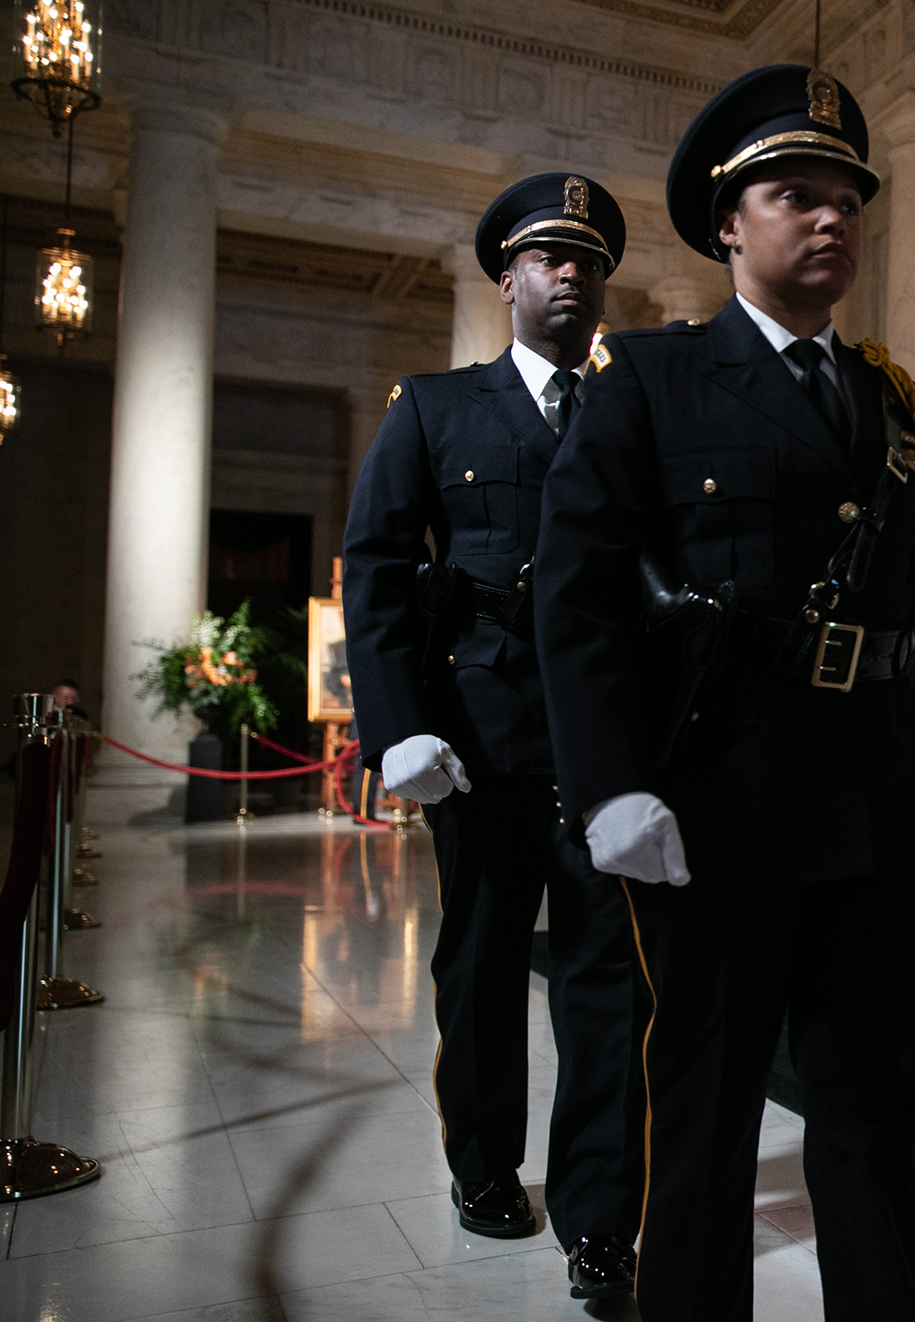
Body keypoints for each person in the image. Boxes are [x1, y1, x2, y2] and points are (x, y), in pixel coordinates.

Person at [531, 64, 915, 1322]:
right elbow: (578, 595)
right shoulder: (649, 379)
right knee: (707, 1118)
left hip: (881, 807)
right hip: (717, 809)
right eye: (796, 195)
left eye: (849, 199)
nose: (831, 217)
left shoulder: (904, 407)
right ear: (728, 223)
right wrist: (610, 786)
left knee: (876, 1114)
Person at [340, 174, 645, 1300]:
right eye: (549, 258)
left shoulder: (631, 412)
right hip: (481, 736)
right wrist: (396, 727)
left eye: (589, 261)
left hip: (607, 743)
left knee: (608, 979)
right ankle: (482, 1163)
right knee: (479, 963)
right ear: (506, 280)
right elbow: (375, 566)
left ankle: (601, 1218)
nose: (572, 275)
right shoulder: (435, 406)